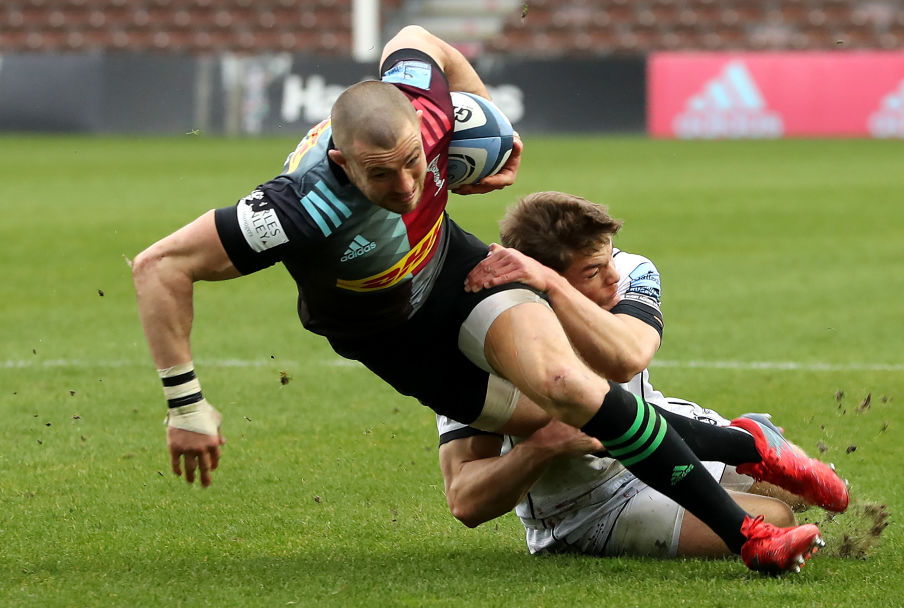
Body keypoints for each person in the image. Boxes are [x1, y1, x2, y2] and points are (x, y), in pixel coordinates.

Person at [132, 25, 841, 575]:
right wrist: (186, 404)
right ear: (344, 165)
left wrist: (494, 138)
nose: (409, 187)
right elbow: (159, 265)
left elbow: (422, 40)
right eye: (382, 178)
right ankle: (743, 443)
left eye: (416, 162)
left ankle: (750, 536)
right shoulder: (295, 207)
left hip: (454, 269)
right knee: (547, 418)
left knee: (572, 387)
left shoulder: (424, 108)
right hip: (393, 337)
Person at [439, 192, 826, 559]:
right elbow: (465, 500)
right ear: (534, 281)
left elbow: (629, 357)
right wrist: (543, 446)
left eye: (608, 259)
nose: (614, 277)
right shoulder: (486, 336)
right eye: (593, 271)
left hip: (660, 430)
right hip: (589, 505)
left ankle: (739, 437)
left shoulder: (629, 270)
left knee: (795, 489)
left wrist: (560, 285)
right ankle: (741, 445)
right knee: (776, 516)